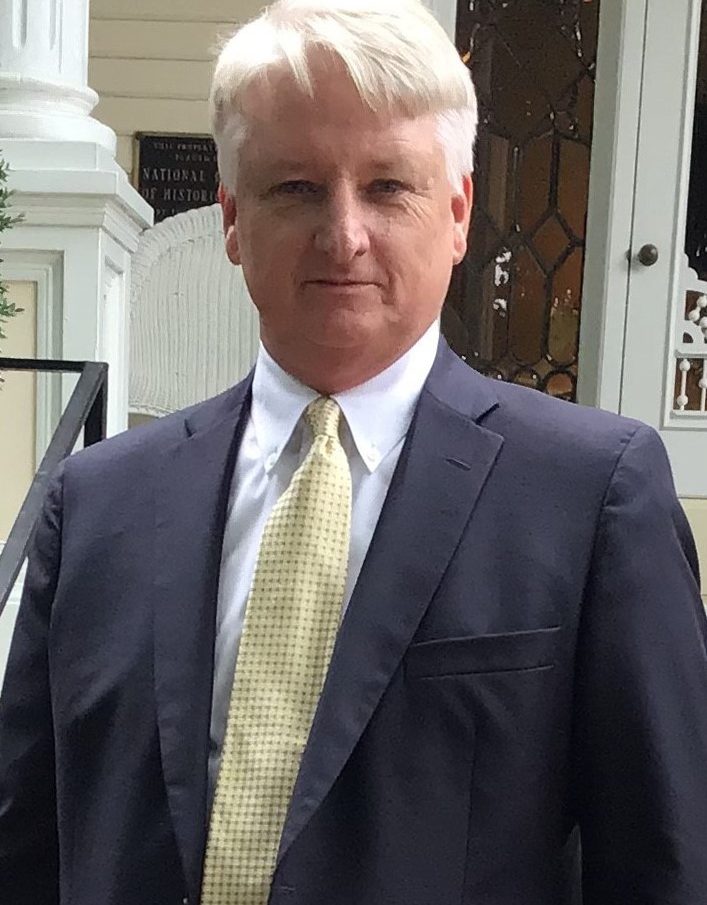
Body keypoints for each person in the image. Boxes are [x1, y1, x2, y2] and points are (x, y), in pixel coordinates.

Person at [1, 1, 706, 903]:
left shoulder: (590, 498)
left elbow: (661, 862)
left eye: (387, 186)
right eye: (295, 187)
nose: (343, 234)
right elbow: (26, 844)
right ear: (231, 219)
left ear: (456, 213)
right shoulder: (97, 503)